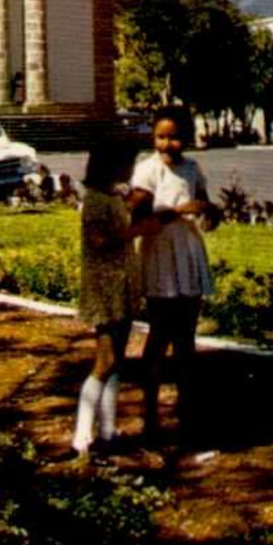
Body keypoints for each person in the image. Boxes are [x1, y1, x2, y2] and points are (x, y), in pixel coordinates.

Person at [129, 105, 219, 444]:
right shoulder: (147, 171)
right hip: (159, 258)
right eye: (161, 137)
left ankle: (187, 414)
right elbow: (139, 222)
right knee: (159, 336)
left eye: (175, 137)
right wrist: (179, 211)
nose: (167, 145)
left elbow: (204, 207)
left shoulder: (193, 169)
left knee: (186, 339)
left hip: (188, 256)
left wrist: (210, 212)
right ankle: (150, 417)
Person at [70, 139, 153, 461]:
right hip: (105, 289)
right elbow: (98, 240)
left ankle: (108, 431)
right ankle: (81, 437)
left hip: (121, 285)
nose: (129, 171)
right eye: (125, 165)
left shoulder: (113, 196)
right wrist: (137, 231)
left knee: (116, 360)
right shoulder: (94, 201)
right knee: (104, 362)